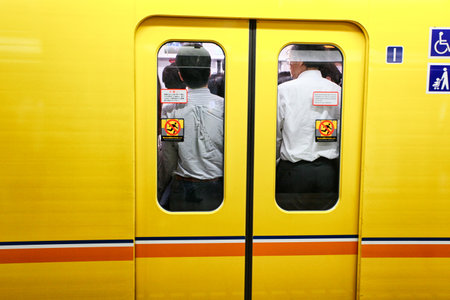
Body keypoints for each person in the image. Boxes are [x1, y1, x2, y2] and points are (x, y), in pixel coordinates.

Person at [158, 44, 224, 211]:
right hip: (220, 190)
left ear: (180, 75)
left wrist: (159, 187)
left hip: (182, 191)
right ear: (209, 73)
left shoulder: (170, 111)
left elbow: (169, 158)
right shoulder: (226, 108)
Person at [276, 44, 341, 210]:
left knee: (292, 227)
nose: (289, 65)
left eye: (290, 60)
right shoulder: (337, 91)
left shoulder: (284, 91)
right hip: (328, 173)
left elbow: (275, 135)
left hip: (294, 174)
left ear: (299, 60)